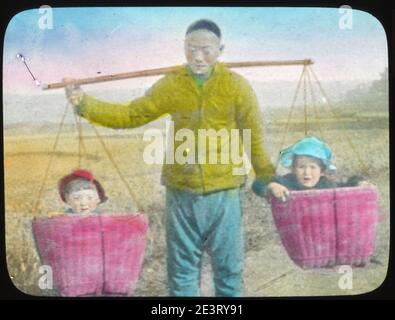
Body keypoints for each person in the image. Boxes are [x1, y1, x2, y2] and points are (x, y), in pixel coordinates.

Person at [64, 19, 275, 296]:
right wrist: (84, 103)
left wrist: (266, 177)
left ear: (220, 49)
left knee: (229, 271)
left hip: (225, 193)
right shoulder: (172, 84)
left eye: (205, 50)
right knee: (182, 274)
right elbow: (131, 114)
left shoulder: (237, 86)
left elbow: (254, 135)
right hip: (181, 194)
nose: (198, 57)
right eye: (190, 49)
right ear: (183, 48)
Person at [258, 136, 371, 202]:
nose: (307, 172)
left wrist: (360, 182)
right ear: (293, 169)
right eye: (301, 167)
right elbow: (259, 182)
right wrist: (272, 186)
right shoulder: (287, 182)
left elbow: (347, 185)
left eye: (313, 167)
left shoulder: (326, 184)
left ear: (322, 171)